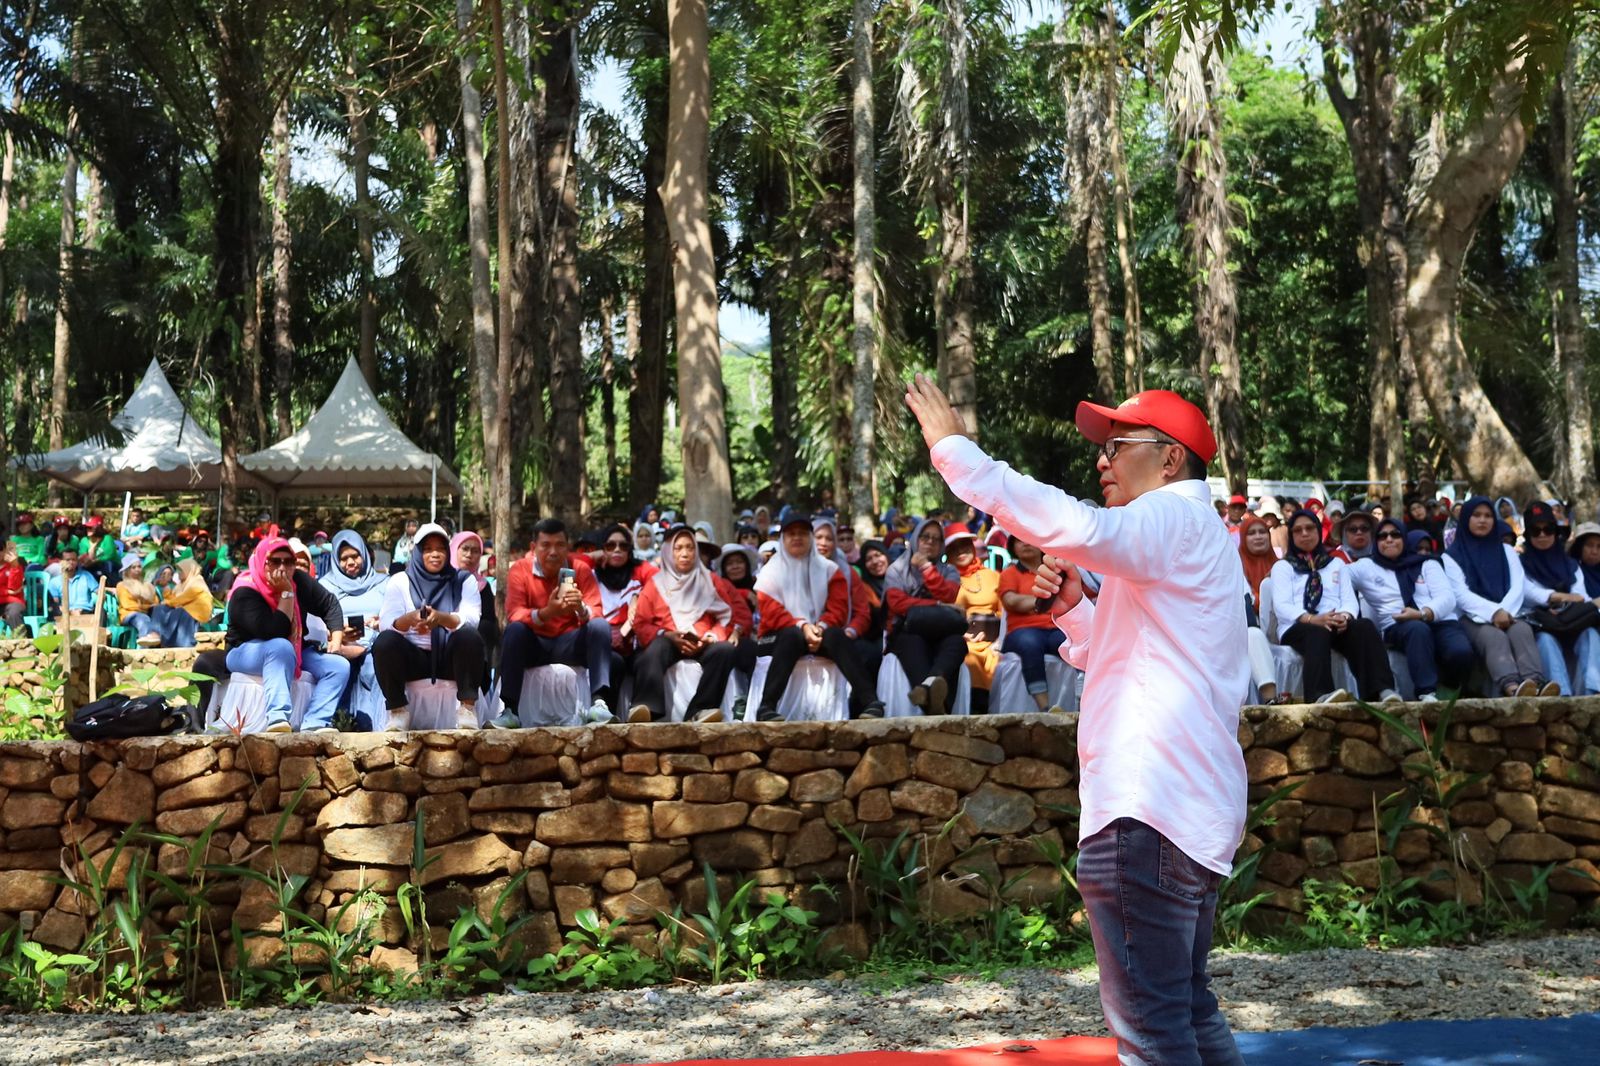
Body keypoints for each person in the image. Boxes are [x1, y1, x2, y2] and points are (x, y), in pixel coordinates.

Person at [906, 375, 1248, 1066]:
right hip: (1184, 808)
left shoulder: (1171, 518)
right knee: (1185, 1008)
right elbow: (1134, 655)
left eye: (1117, 445)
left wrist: (956, 453)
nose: (1101, 460)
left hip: (1147, 809)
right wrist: (1070, 607)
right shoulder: (1190, 532)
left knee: (1153, 1034)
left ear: (1171, 458)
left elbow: (1078, 526)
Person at [750, 513, 884, 721]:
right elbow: (771, 612)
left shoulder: (829, 570)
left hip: (818, 633)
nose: (797, 538)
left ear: (810, 538)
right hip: (776, 637)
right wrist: (803, 626)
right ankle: (767, 706)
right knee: (791, 635)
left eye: (803, 533)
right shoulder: (770, 572)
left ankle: (871, 702)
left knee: (837, 636)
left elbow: (838, 609)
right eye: (791, 533)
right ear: (782, 538)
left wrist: (819, 628)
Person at [493, 518, 617, 727]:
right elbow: (515, 613)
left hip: (569, 643)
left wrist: (579, 607)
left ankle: (599, 703)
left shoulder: (581, 569)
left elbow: (596, 611)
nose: (553, 552)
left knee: (600, 627)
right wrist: (546, 613)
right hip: (535, 644)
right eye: (546, 545)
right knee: (514, 630)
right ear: (534, 548)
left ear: (567, 546)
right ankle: (510, 710)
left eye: (560, 545)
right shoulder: (520, 570)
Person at [223, 537, 352, 733]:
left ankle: (315, 721)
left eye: (288, 561)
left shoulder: (299, 580)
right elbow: (274, 631)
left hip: (292, 649)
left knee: (338, 666)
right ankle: (277, 717)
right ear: (262, 562)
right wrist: (286, 593)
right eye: (275, 561)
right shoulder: (245, 590)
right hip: (244, 651)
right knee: (280, 647)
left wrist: (336, 641)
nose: (282, 567)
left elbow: (329, 604)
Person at [1270, 509, 1399, 704]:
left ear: (1319, 530)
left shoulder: (1335, 564)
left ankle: (1382, 691)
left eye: (1310, 528)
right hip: (1298, 625)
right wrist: (1313, 619)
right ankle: (1320, 695)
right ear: (1291, 535)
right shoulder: (1283, 567)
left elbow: (1349, 600)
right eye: (1298, 530)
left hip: (1335, 622)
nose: (1304, 533)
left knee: (1363, 626)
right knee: (1317, 631)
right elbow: (1282, 607)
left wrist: (1344, 617)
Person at [373, 523, 486, 730]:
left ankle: (467, 708)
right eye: (428, 549)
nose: (435, 554)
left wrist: (442, 618)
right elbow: (386, 623)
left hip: (449, 657)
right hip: (414, 658)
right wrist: (410, 619)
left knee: (469, 636)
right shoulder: (401, 580)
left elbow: (471, 619)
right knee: (385, 642)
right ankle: (398, 711)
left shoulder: (463, 580)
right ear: (417, 552)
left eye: (441, 549)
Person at [1347, 518, 1473, 702]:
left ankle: (1452, 691)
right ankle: (1426, 692)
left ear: (1404, 538)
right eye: (1382, 536)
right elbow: (1337, 576)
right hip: (1397, 625)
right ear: (1376, 541)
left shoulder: (1426, 563)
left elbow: (1447, 598)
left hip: (1439, 621)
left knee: (1460, 652)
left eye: (1395, 534)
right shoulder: (1367, 567)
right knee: (1417, 629)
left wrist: (1423, 613)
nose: (1389, 539)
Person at [627, 526, 742, 723]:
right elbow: (641, 623)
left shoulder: (711, 580)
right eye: (678, 548)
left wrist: (711, 636)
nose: (685, 554)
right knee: (658, 645)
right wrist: (667, 634)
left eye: (690, 548)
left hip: (702, 642)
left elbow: (727, 617)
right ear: (668, 552)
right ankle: (646, 708)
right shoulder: (656, 583)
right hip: (670, 641)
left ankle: (700, 710)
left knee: (725, 651)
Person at [1442, 496, 1552, 698]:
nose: (1482, 520)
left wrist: (1504, 612)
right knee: (1492, 636)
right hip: (1470, 617)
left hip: (1508, 613)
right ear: (1466, 518)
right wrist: (1494, 612)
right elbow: (1460, 594)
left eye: (1487, 516)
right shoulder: (1451, 556)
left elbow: (1517, 585)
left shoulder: (1507, 551)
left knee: (1522, 630)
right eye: (1476, 515)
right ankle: (1511, 687)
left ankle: (1534, 684)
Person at [882, 517, 965, 715]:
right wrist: (937, 605)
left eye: (936, 539)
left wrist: (926, 568)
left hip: (940, 632)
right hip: (905, 631)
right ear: (915, 539)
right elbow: (898, 604)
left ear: (942, 545)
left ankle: (927, 689)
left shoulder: (949, 570)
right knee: (914, 643)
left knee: (958, 643)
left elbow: (948, 594)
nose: (930, 542)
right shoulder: (896, 569)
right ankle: (937, 710)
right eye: (925, 537)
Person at [1519, 502, 1600, 696]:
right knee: (1546, 641)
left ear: (1556, 532)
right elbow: (1528, 592)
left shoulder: (1570, 564)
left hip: (1572, 622)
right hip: (1542, 625)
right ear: (1528, 535)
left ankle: (1593, 693)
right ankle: (1561, 696)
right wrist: (1561, 597)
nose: (1542, 535)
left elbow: (1581, 596)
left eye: (1548, 529)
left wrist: (1561, 602)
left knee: (1590, 634)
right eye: (1535, 531)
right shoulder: (1520, 563)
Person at [320, 529, 390, 729]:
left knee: (377, 665)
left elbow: (395, 618)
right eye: (343, 558)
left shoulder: (384, 583)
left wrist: (379, 623)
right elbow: (315, 625)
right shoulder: (325, 586)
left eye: (355, 556)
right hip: (338, 646)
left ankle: (380, 730)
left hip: (375, 647)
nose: (350, 562)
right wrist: (338, 634)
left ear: (365, 554)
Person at [998, 536, 1067, 712]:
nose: (1026, 542)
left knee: (1071, 644)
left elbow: (1070, 597)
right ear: (1013, 547)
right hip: (1021, 632)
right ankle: (1045, 707)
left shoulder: (1055, 572)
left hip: (1054, 629)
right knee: (1031, 643)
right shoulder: (1010, 573)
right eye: (1019, 540)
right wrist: (1045, 600)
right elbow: (1012, 602)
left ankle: (1081, 700)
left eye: (1028, 538)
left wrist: (1031, 602)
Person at [813, 517, 880, 686]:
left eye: (829, 539)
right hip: (807, 635)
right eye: (818, 537)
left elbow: (862, 612)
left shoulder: (848, 572)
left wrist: (850, 632)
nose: (824, 543)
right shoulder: (797, 569)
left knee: (870, 654)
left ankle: (865, 707)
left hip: (844, 634)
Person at [946, 523, 1001, 712]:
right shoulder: (945, 580)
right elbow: (944, 615)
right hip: (964, 639)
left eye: (965, 545)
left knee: (996, 657)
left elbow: (1005, 611)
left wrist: (999, 638)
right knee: (970, 658)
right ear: (947, 552)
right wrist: (962, 634)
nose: (961, 551)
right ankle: (979, 710)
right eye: (954, 548)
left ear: (973, 547)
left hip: (994, 639)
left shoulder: (992, 576)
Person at [1236, 515, 1289, 704]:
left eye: (1262, 532)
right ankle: (1270, 699)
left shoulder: (1284, 565)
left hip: (1278, 626)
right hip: (1246, 630)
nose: (1258, 537)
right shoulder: (1234, 564)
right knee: (1253, 635)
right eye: (1251, 533)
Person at [48, 545, 98, 618]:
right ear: (61, 562)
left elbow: (98, 591)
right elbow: (55, 602)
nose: (71, 562)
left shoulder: (86, 576)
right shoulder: (54, 582)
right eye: (68, 560)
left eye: (74, 560)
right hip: (64, 613)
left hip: (85, 612)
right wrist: (68, 611)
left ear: (77, 561)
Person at [0, 542, 24, 631]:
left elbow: (14, 588)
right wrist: (7, 592)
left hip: (13, 602)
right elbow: (11, 591)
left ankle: (20, 641)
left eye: (0, 550)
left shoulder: (15, 566)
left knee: (14, 613)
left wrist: (14, 566)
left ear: (5, 551)